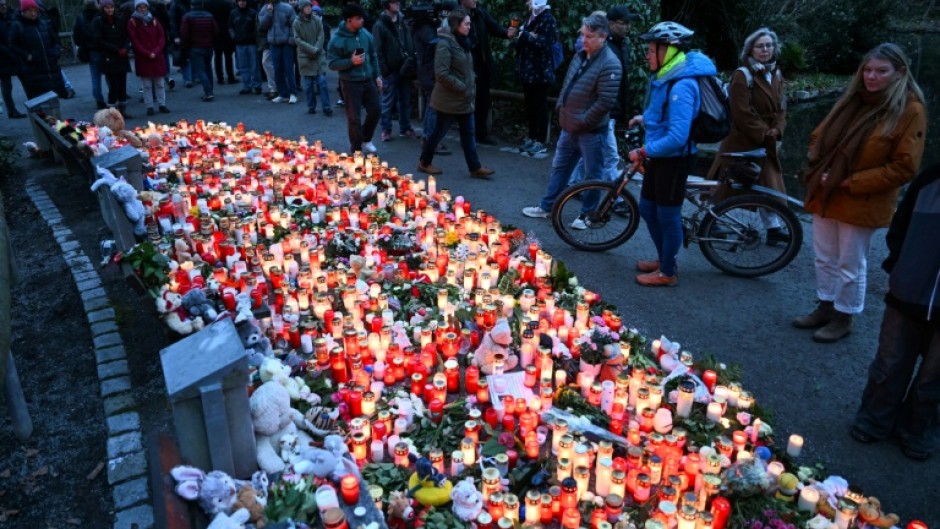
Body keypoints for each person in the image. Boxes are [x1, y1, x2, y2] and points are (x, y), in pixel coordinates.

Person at [793, 43, 927, 342]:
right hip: (826, 190)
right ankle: (825, 306)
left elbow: (904, 168)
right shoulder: (853, 100)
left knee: (850, 263)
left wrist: (849, 181)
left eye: (881, 71)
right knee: (824, 257)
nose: (872, 76)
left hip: (860, 197)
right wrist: (819, 159)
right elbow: (819, 134)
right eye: (867, 70)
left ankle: (845, 316)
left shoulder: (909, 110)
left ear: (900, 72)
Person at [850, 162, 940, 462]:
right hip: (909, 290)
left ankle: (918, 428)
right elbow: (901, 222)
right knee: (890, 361)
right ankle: (875, 418)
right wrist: (900, 265)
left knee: (934, 376)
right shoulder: (931, 179)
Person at [626, 21, 717, 287]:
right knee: (647, 208)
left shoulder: (682, 85)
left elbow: (678, 136)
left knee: (667, 215)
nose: (647, 54)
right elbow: (665, 115)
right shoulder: (667, 76)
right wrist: (644, 119)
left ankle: (668, 272)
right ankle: (664, 258)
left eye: (652, 49)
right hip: (661, 156)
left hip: (674, 158)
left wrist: (643, 150)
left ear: (670, 50)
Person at [520, 12, 621, 219]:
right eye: (583, 35)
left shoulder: (610, 63)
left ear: (602, 37)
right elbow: (568, 82)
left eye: (589, 36)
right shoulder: (581, 54)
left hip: (591, 131)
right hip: (570, 126)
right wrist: (561, 106)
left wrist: (583, 121)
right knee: (560, 168)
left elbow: (605, 102)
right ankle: (548, 207)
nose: (583, 39)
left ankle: (588, 216)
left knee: (593, 175)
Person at [707, 27, 787, 243]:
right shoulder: (743, 75)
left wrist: (778, 128)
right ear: (750, 49)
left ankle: (773, 229)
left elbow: (781, 107)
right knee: (728, 184)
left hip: (766, 139)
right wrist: (765, 133)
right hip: (742, 141)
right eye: (760, 45)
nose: (765, 49)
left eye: (769, 45)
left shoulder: (775, 74)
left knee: (767, 185)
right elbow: (741, 112)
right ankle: (711, 220)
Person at [416, 8, 495, 179]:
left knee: (468, 134)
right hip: (449, 100)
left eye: (469, 23)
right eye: (466, 24)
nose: (469, 26)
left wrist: (469, 83)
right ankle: (424, 162)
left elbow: (464, 67)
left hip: (463, 98)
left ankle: (475, 167)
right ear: (456, 25)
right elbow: (441, 73)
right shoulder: (445, 43)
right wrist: (462, 86)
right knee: (437, 133)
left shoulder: (463, 41)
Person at [567, 4, 637, 186]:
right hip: (602, 111)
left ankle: (573, 184)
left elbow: (621, 82)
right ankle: (617, 199)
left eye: (630, 23)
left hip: (610, 110)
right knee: (610, 156)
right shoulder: (603, 47)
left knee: (592, 154)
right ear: (611, 24)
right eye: (624, 23)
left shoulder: (622, 45)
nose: (628, 27)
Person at [458, 0, 515, 145]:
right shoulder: (456, 14)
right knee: (466, 100)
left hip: (481, 63)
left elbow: (494, 27)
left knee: (483, 99)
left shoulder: (480, 12)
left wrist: (507, 32)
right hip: (465, 63)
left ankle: (481, 134)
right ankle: (466, 133)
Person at [327, 2, 382, 154]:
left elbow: (373, 55)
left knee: (376, 110)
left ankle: (366, 138)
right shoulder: (337, 39)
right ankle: (356, 149)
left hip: (368, 80)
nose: (362, 21)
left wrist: (377, 76)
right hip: (350, 82)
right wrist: (351, 62)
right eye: (358, 18)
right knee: (354, 118)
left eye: (362, 18)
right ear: (349, 20)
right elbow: (332, 63)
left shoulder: (365, 34)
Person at [512, 0, 556, 156]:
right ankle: (532, 136)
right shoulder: (531, 16)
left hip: (540, 71)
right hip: (527, 70)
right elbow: (524, 41)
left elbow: (544, 44)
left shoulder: (548, 18)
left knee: (540, 105)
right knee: (531, 105)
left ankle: (540, 140)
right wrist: (527, 36)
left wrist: (525, 34)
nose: (527, 2)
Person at [412, 0, 455, 155]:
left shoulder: (424, 26)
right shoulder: (424, 28)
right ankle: (429, 140)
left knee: (433, 106)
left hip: (428, 71)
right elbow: (434, 43)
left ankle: (430, 139)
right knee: (433, 106)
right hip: (428, 72)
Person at [373, 0, 418, 141]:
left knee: (405, 100)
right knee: (387, 101)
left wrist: (411, 60)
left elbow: (409, 41)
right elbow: (377, 50)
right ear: (386, 4)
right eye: (394, 1)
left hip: (404, 68)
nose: (398, 3)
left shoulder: (403, 21)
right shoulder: (380, 25)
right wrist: (384, 70)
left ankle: (405, 128)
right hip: (390, 70)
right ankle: (386, 129)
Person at [8, 0, 66, 100]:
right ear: (23, 12)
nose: (33, 13)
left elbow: (55, 41)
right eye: (29, 11)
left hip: (51, 70)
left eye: (35, 10)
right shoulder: (17, 26)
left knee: (54, 104)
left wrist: (56, 52)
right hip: (33, 73)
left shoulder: (45, 24)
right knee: (40, 105)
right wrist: (26, 56)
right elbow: (12, 46)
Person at [127, 0, 170, 115]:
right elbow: (135, 40)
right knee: (146, 84)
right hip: (143, 56)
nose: (142, 9)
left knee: (160, 83)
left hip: (157, 55)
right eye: (140, 7)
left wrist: (156, 51)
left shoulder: (154, 20)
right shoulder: (132, 22)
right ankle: (149, 106)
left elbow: (161, 37)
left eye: (144, 7)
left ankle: (162, 104)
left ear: (147, 7)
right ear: (136, 8)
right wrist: (147, 53)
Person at [91, 0, 133, 117]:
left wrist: (125, 47)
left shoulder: (119, 20)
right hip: (109, 56)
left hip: (122, 56)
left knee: (122, 85)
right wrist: (116, 49)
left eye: (111, 7)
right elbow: (98, 40)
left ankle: (122, 111)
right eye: (107, 8)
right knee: (113, 85)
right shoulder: (98, 21)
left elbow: (126, 36)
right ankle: (112, 113)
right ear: (103, 8)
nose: (110, 10)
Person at [293, 0, 331, 115]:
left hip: (318, 55)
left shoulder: (316, 19)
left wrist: (316, 48)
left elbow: (321, 35)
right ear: (301, 8)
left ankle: (326, 107)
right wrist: (311, 49)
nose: (309, 8)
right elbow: (297, 40)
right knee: (308, 85)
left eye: (309, 6)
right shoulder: (296, 22)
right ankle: (311, 106)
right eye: (306, 6)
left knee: (322, 83)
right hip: (305, 56)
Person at [259, 0, 297, 104]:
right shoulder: (264, 8)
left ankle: (292, 93)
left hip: (286, 43)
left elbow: (294, 25)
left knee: (288, 68)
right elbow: (262, 26)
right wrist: (269, 13)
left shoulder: (287, 8)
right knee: (277, 69)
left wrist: (290, 40)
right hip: (273, 43)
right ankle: (282, 94)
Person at [180, 0, 219, 101]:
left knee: (201, 70)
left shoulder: (187, 17)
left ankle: (208, 92)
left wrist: (184, 46)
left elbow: (184, 34)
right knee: (208, 68)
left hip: (195, 47)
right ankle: (210, 89)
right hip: (208, 46)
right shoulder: (209, 15)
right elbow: (215, 31)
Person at [73, 0, 108, 109]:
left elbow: (76, 36)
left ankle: (99, 100)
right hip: (104, 49)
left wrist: (84, 45)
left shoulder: (80, 18)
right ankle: (114, 97)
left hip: (91, 51)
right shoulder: (101, 16)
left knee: (95, 77)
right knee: (110, 75)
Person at [0, 0, 26, 118]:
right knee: (6, 85)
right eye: (1, 5)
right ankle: (11, 110)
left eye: (4, 4)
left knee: (27, 79)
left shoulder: (11, 16)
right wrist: (9, 50)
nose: (3, 6)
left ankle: (36, 105)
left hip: (15, 54)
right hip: (3, 57)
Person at [229, 0, 260, 94]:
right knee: (243, 67)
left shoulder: (253, 13)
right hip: (240, 43)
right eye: (240, 1)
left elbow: (257, 27)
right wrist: (234, 37)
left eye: (243, 1)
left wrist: (253, 37)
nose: (241, 3)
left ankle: (257, 86)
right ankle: (247, 86)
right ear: (237, 2)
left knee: (254, 66)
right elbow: (230, 27)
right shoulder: (233, 13)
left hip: (251, 43)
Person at [206, 0, 235, 84]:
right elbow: (232, 17)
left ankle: (220, 78)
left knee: (217, 56)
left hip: (214, 32)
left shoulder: (208, 4)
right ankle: (230, 76)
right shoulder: (227, 3)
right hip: (226, 32)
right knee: (228, 56)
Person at [169, 0, 192, 86]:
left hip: (188, 32)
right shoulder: (176, 4)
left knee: (189, 55)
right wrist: (175, 35)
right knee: (184, 56)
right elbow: (172, 21)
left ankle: (190, 77)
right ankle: (188, 78)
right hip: (181, 32)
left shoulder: (178, 4)